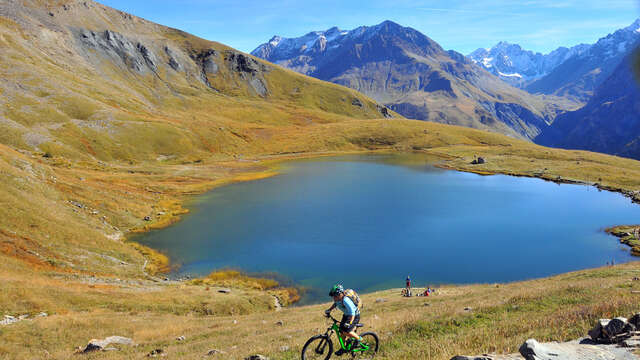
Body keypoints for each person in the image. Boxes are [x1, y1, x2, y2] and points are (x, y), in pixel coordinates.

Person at [325, 284, 362, 356]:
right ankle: (343, 348)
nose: (334, 297)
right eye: (333, 296)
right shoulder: (338, 299)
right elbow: (335, 304)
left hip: (354, 316)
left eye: (335, 296)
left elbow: (352, 313)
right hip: (346, 315)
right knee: (341, 331)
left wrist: (349, 323)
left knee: (346, 331)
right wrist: (329, 310)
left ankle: (359, 339)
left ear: (340, 294)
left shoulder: (346, 300)